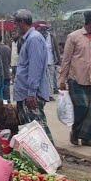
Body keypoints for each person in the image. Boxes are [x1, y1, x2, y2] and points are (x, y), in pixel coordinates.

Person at [59, 10, 91, 147]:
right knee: (81, 107)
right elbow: (66, 60)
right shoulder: (74, 37)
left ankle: (87, 138)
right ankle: (75, 133)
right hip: (75, 78)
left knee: (90, 110)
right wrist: (62, 79)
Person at [12, 10, 54, 142]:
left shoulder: (34, 39)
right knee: (30, 130)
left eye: (15, 24)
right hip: (25, 93)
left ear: (22, 23)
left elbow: (35, 68)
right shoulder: (28, 39)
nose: (15, 27)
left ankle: (50, 156)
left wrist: (31, 93)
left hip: (30, 94)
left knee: (38, 128)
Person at [37, 24, 61, 101]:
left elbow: (56, 49)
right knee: (43, 79)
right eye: (41, 30)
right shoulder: (38, 38)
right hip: (41, 62)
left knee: (50, 79)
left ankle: (49, 95)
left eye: (44, 30)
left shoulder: (52, 37)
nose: (43, 31)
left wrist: (58, 59)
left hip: (51, 61)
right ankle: (43, 94)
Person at [0, 32, 12, 102]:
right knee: (6, 95)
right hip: (7, 74)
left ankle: (1, 109)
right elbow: (9, 61)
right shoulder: (7, 48)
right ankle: (7, 108)